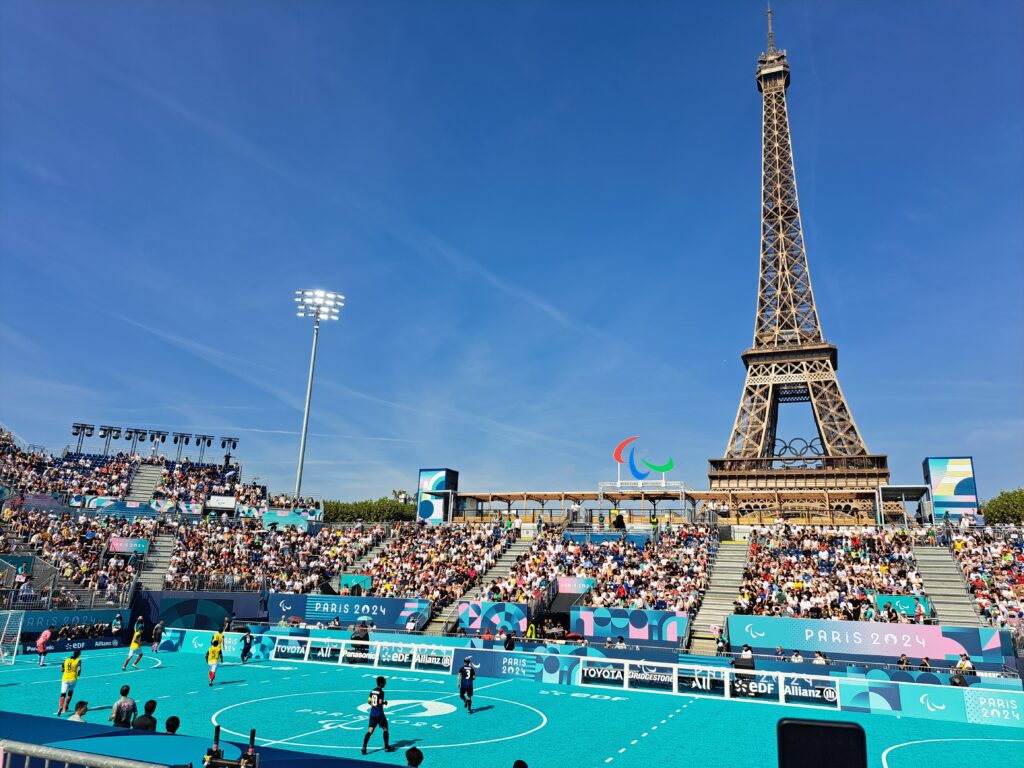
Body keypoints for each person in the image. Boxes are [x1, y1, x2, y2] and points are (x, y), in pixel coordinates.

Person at [361, 676, 396, 755]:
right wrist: (384, 702)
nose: (385, 684)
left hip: (372, 714)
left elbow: (369, 701)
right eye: (384, 682)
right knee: (385, 729)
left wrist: (374, 705)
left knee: (370, 731)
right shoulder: (381, 692)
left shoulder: (372, 691)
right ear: (381, 684)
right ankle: (386, 747)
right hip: (379, 714)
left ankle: (364, 747)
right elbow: (380, 702)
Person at [56, 650, 82, 716]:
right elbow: (79, 669)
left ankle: (60, 706)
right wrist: (78, 673)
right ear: (79, 654)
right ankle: (66, 706)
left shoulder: (66, 660)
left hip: (65, 678)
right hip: (73, 679)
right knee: (70, 693)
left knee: (63, 694)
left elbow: (62, 670)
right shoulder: (78, 660)